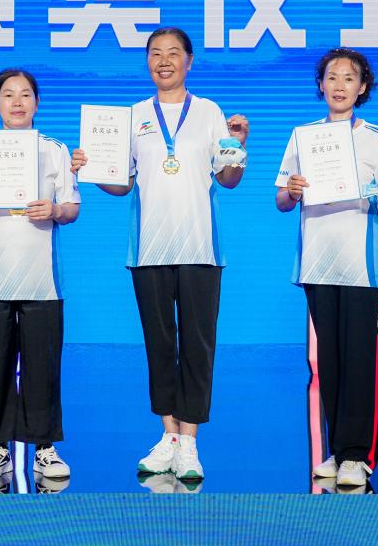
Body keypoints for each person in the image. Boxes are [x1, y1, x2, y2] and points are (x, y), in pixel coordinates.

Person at [71, 27, 248, 481]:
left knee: (198, 345)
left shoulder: (209, 112)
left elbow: (228, 179)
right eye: (155, 53)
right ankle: (168, 434)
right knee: (159, 344)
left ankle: (189, 441)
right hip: (148, 249)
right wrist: (90, 169)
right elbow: (123, 184)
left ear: (190, 61)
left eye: (173, 53)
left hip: (200, 247)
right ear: (147, 61)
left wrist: (238, 147)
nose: (164, 61)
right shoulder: (133, 116)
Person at [274, 48, 378, 488]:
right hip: (317, 265)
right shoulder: (303, 136)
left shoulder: (376, 138)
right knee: (327, 365)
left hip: (360, 268)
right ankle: (336, 450)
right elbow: (281, 200)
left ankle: (357, 456)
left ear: (362, 87)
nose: (339, 85)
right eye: (332, 77)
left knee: (359, 364)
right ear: (321, 85)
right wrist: (293, 190)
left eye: (349, 78)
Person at [0, 69, 80, 483]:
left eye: (26, 95)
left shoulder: (54, 150)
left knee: (43, 364)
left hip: (42, 280)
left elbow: (72, 207)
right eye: (8, 95)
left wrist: (54, 210)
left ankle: (45, 449)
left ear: (37, 103)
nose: (18, 102)